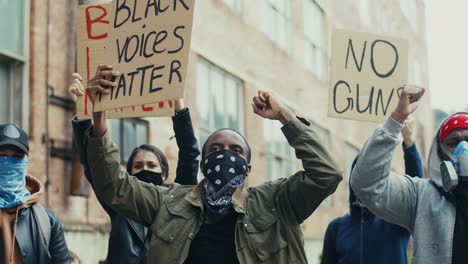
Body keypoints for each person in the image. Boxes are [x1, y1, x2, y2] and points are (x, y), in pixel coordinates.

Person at [82, 64, 342, 263]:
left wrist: (285, 116)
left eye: (236, 150)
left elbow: (327, 174)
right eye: (215, 150)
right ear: (204, 165)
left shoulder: (278, 202)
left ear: (248, 168)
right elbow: (113, 185)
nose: (225, 156)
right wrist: (100, 115)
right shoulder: (168, 203)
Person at [68, 71, 200, 263]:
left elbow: (190, 154)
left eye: (151, 165)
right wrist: (82, 111)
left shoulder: (179, 201)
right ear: (129, 173)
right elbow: (94, 164)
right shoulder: (118, 203)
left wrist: (177, 103)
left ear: (163, 173)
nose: (144, 168)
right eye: (138, 165)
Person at [350, 86, 468, 264]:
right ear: (440, 152)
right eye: (454, 143)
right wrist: (397, 119)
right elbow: (367, 184)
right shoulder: (421, 195)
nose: (463, 149)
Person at [321, 117, 424, 264]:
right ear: (354, 180)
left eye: (374, 177)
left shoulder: (395, 220)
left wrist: (409, 142)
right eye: (363, 175)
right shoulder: (336, 228)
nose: (368, 181)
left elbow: (415, 192)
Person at [0, 123, 70, 263]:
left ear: (26, 161)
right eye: (2, 156)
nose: (9, 163)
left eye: (17, 157)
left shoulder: (48, 222)